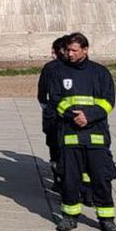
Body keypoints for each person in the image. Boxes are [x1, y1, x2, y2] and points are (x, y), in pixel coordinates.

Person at [45, 32, 116, 231]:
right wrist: (71, 115)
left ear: (85, 50)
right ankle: (69, 216)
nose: (70, 54)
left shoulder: (100, 73)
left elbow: (108, 101)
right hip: (69, 134)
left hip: (95, 134)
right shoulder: (59, 72)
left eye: (74, 50)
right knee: (69, 178)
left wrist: (89, 116)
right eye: (68, 50)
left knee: (101, 178)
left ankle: (106, 218)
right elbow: (55, 100)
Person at [37, 36, 70, 193]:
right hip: (74, 117)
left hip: (53, 115)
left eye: (53, 51)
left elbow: (42, 92)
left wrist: (46, 108)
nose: (52, 54)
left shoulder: (50, 68)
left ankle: (58, 179)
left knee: (55, 148)